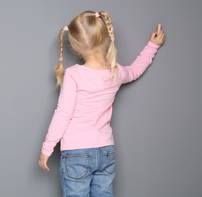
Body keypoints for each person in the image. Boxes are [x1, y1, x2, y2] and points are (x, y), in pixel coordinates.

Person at [38, 10, 165, 197]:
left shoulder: (74, 74)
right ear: (105, 38)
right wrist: (152, 46)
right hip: (105, 151)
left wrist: (46, 149)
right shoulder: (116, 72)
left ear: (76, 45)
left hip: (76, 153)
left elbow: (63, 113)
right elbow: (136, 70)